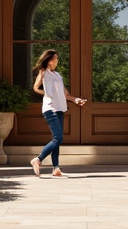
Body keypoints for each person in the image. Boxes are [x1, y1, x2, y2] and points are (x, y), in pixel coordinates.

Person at [30, 49, 87, 177]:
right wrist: (47, 94)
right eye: (55, 58)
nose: (57, 60)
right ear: (49, 60)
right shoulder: (43, 72)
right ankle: (38, 159)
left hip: (60, 108)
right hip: (50, 108)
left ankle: (56, 168)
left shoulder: (58, 75)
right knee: (58, 138)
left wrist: (76, 100)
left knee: (56, 139)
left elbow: (65, 93)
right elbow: (35, 87)